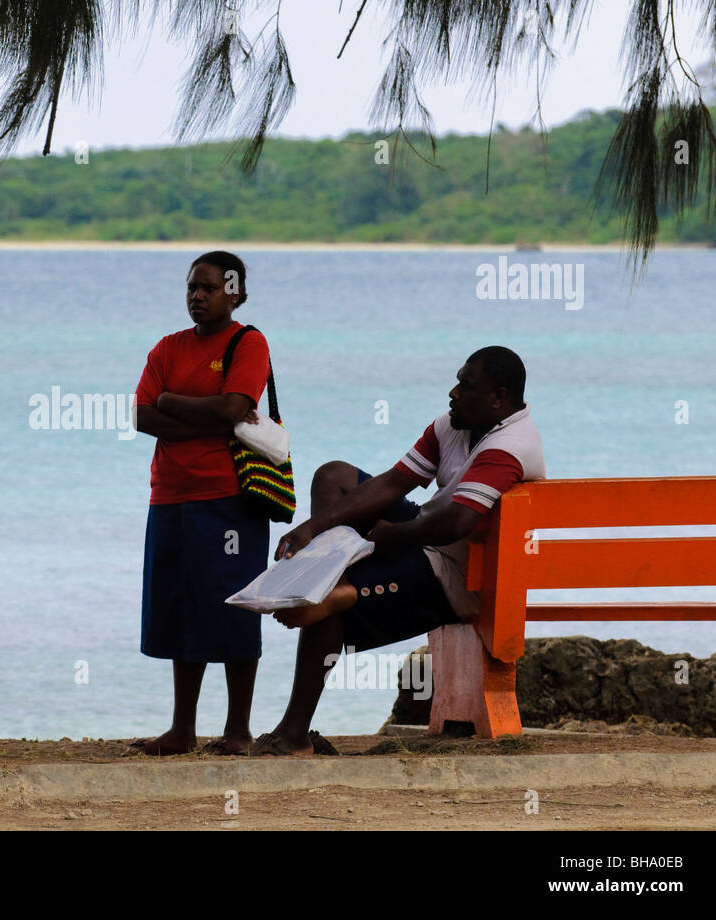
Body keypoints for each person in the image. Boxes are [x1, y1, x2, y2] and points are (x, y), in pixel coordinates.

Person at [250, 345, 544, 756]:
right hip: (428, 538)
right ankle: (335, 582)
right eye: (457, 381)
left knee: (331, 608)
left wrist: (385, 538)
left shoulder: (509, 445)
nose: (453, 393)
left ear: (498, 398)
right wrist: (312, 528)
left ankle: (294, 734)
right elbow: (392, 484)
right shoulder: (454, 425)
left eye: (466, 385)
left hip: (463, 577)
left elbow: (459, 523)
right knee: (333, 477)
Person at [130, 251, 273, 756]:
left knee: (235, 606)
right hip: (170, 496)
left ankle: (238, 729)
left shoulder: (247, 343)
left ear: (234, 293)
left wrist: (173, 403)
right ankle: (182, 728)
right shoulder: (167, 348)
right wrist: (202, 417)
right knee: (180, 609)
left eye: (209, 288)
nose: (197, 296)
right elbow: (143, 417)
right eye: (192, 287)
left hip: (230, 498)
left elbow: (235, 408)